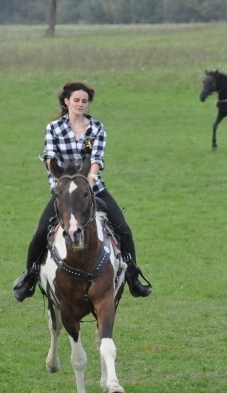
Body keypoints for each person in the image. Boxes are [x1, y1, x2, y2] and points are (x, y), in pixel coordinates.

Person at [13, 81, 152, 302]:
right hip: (64, 191)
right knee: (41, 232)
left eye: (84, 101)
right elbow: (50, 157)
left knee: (123, 228)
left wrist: (89, 180)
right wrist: (62, 180)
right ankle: (29, 278)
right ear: (67, 101)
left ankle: (133, 277)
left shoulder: (96, 128)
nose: (80, 104)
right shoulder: (54, 128)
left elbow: (96, 158)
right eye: (76, 100)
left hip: (92, 188)